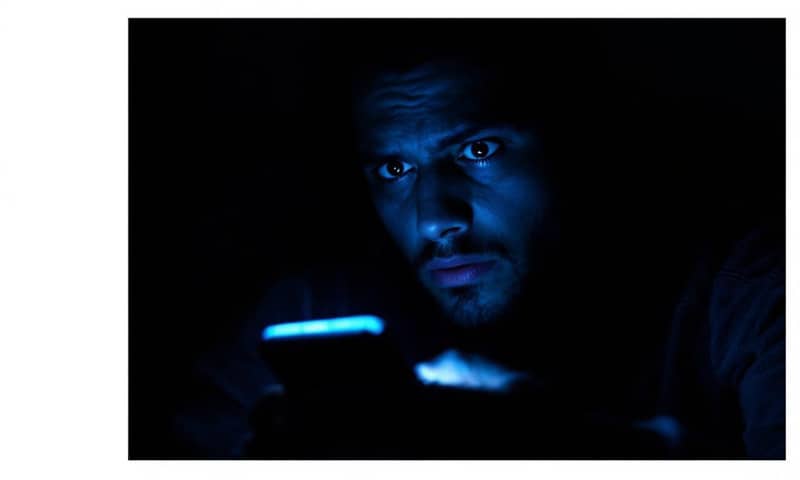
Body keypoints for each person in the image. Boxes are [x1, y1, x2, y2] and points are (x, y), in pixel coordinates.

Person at [173, 38, 785, 459]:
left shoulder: (746, 286)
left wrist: (559, 445)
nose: (435, 220)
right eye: (394, 169)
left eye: (478, 151)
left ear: (577, 142)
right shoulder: (315, 312)